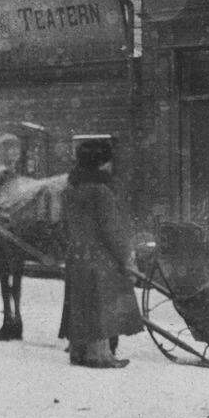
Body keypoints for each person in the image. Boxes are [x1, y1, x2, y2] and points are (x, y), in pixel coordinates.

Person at [57, 139, 142, 369]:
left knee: (80, 303)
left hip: (76, 256)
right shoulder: (102, 191)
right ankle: (99, 354)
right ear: (103, 163)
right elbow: (111, 230)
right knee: (101, 305)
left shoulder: (69, 190)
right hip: (101, 259)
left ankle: (78, 351)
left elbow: (63, 225)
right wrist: (126, 257)